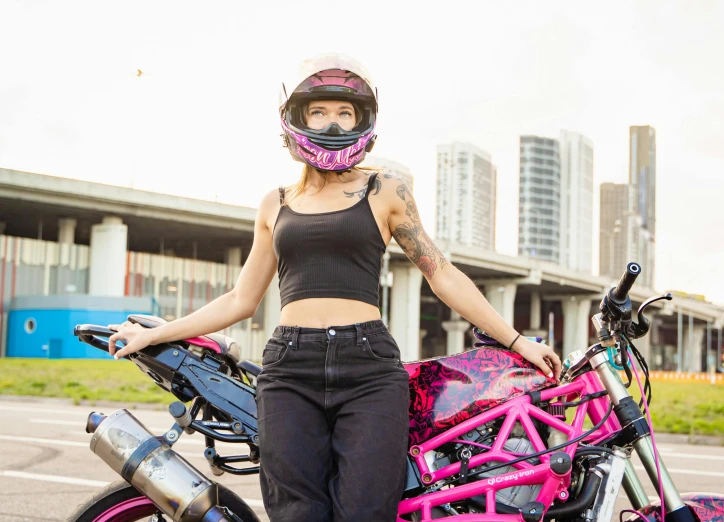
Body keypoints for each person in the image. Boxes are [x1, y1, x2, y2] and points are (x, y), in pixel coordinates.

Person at [107, 53, 561, 522]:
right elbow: (241, 299)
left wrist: (515, 339)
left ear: (362, 122)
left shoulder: (386, 189)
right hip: (289, 369)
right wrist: (157, 333)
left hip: (369, 370)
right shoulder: (275, 203)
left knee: (366, 511)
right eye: (320, 111)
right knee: (297, 513)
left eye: (345, 113)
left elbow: (440, 272)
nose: (333, 123)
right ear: (298, 119)